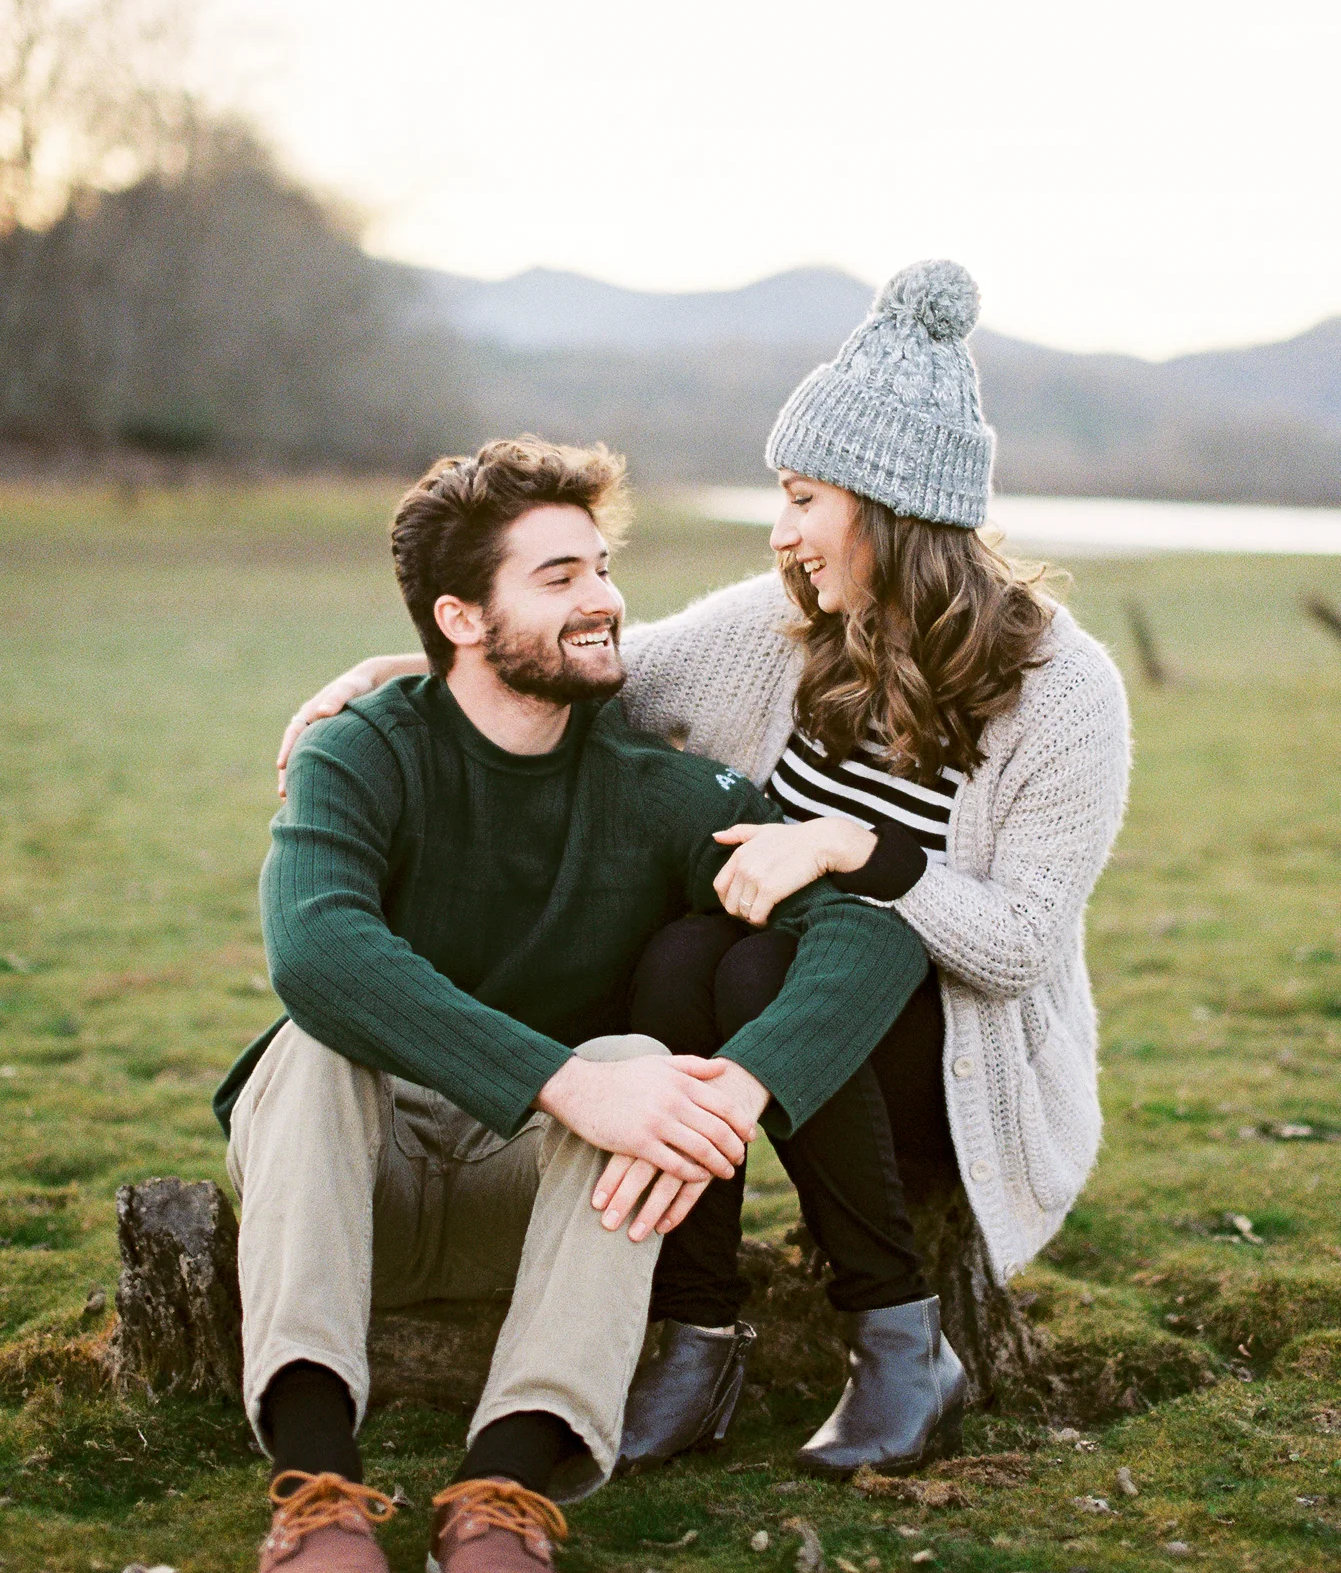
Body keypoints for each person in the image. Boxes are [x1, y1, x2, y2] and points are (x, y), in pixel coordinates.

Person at [282, 260, 1130, 1483]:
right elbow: (581, 674)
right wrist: (399, 681)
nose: (780, 531)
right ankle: (700, 1326)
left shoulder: (1065, 691)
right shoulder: (776, 626)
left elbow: (1022, 944)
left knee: (750, 963)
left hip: (948, 1058)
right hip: (763, 1016)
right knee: (692, 952)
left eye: (803, 497)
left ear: (890, 505)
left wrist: (861, 849)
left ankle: (898, 1336)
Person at [231, 434, 928, 1573]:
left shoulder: (660, 790)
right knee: (316, 1041)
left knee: (638, 1072)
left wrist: (744, 1086)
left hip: (530, 1203)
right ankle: (316, 1485)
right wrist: (555, 1080)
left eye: (601, 566)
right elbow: (317, 950)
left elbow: (868, 937)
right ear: (461, 615)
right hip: (355, 1179)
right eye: (558, 575)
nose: (604, 598)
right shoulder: (365, 750)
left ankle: (505, 1491)